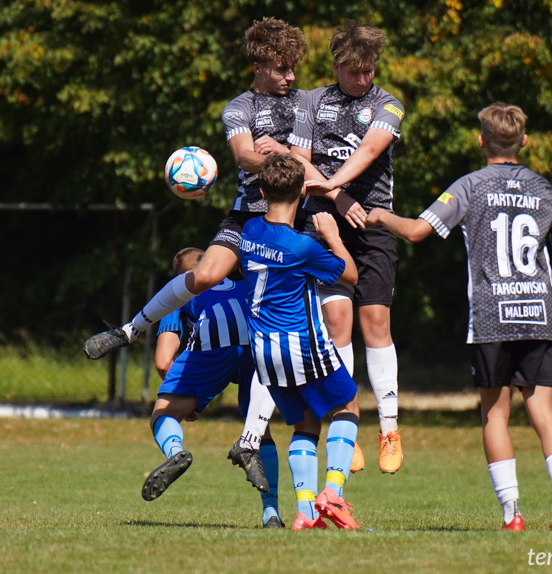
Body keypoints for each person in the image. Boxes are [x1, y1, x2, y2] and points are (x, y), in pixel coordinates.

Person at [83, 17, 308, 483]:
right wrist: (275, 153)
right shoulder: (238, 108)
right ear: (258, 64)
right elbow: (245, 157)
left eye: (293, 69)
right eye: (282, 68)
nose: (290, 77)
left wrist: (283, 148)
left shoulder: (308, 103)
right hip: (248, 214)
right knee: (205, 276)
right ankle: (129, 330)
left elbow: (316, 157)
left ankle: (260, 438)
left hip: (292, 218)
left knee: (284, 321)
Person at [364, 102, 552, 532]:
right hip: (537, 314)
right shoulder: (542, 187)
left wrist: (379, 215)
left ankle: (513, 515)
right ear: (524, 141)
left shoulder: (469, 185)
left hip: (491, 318)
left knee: (495, 415)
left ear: (480, 140)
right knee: (545, 413)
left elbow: (415, 231)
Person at [290, 22, 406, 474]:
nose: (364, 79)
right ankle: (345, 419)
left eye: (370, 71)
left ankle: (390, 429)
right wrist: (337, 196)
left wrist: (336, 184)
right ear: (337, 65)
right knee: (336, 322)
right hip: (321, 219)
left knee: (375, 320)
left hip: (373, 221)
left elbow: (370, 151)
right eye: (355, 71)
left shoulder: (388, 103)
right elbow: (299, 158)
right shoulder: (309, 102)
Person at [241, 154, 362, 531]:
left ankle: (306, 514)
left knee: (306, 425)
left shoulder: (248, 233)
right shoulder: (302, 247)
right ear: (303, 192)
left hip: (265, 354)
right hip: (301, 345)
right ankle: (333, 493)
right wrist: (334, 237)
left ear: (262, 192)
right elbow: (352, 276)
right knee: (347, 409)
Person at [142, 246, 285, 528]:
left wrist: (187, 395)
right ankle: (272, 513)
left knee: (163, 414)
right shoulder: (248, 282)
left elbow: (162, 362)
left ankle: (174, 452)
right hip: (258, 346)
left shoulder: (182, 289)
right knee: (259, 430)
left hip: (213, 347)